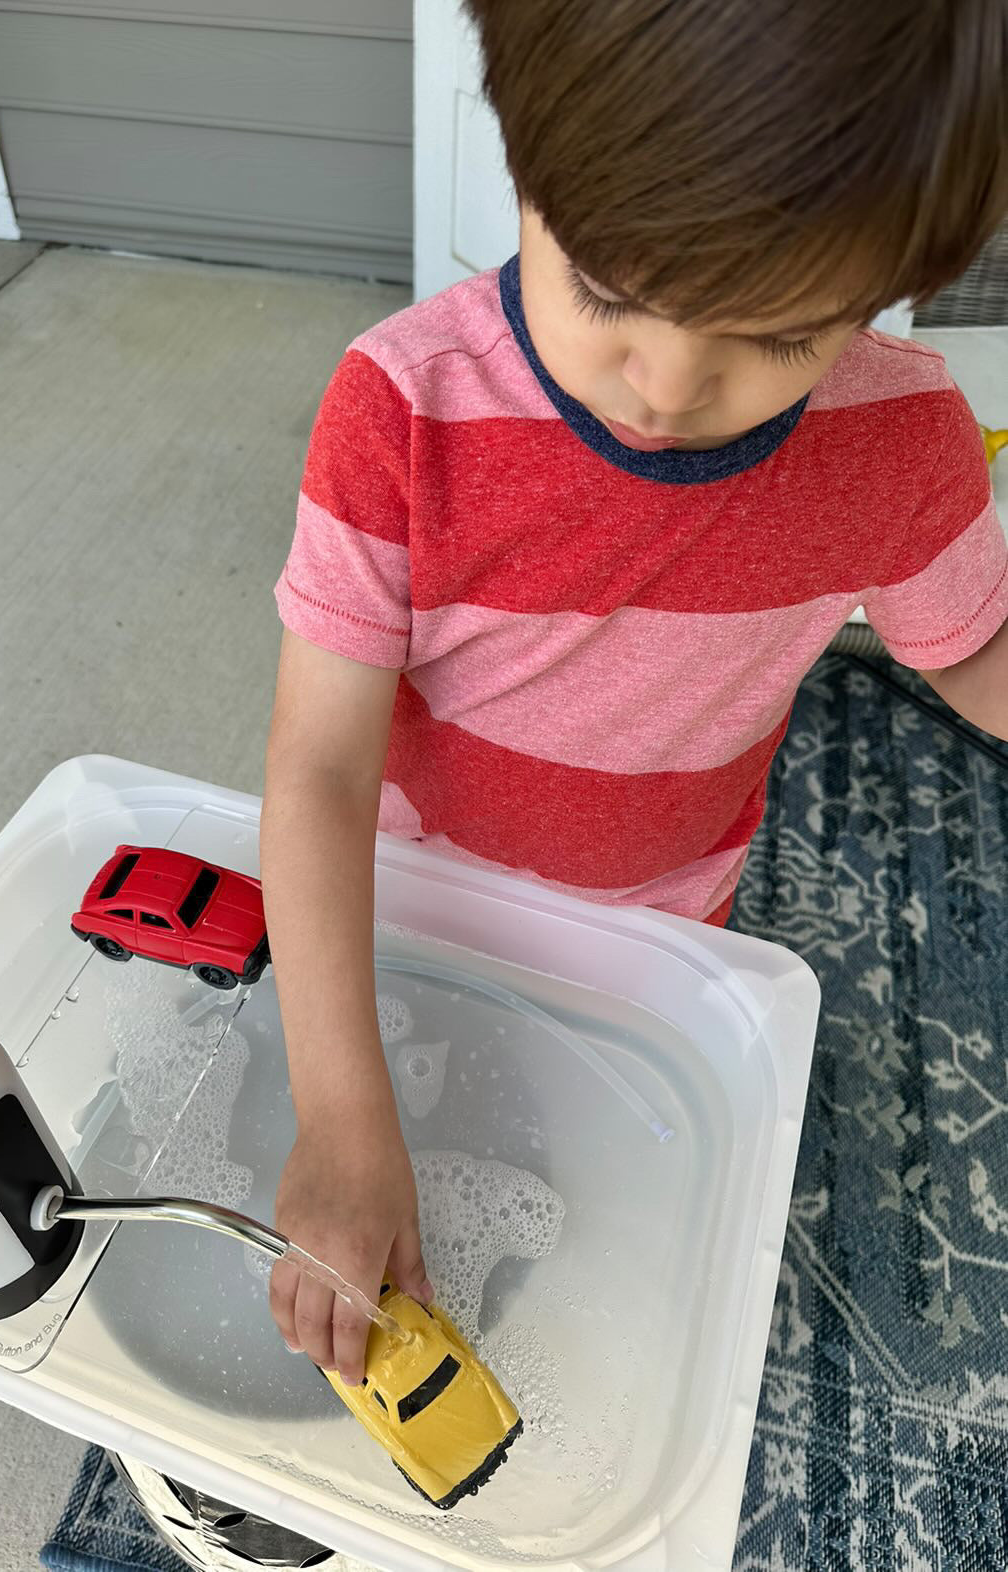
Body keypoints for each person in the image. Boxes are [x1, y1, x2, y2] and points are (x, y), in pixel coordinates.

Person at [261, 0, 1008, 1388]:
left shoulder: (902, 439)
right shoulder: (403, 410)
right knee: (407, 1169)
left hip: (666, 919)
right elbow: (318, 767)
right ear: (521, 162)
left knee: (594, 1226)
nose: (666, 386)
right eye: (606, 291)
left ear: (889, 281)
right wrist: (342, 1113)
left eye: (780, 333)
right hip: (414, 906)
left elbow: (969, 650)